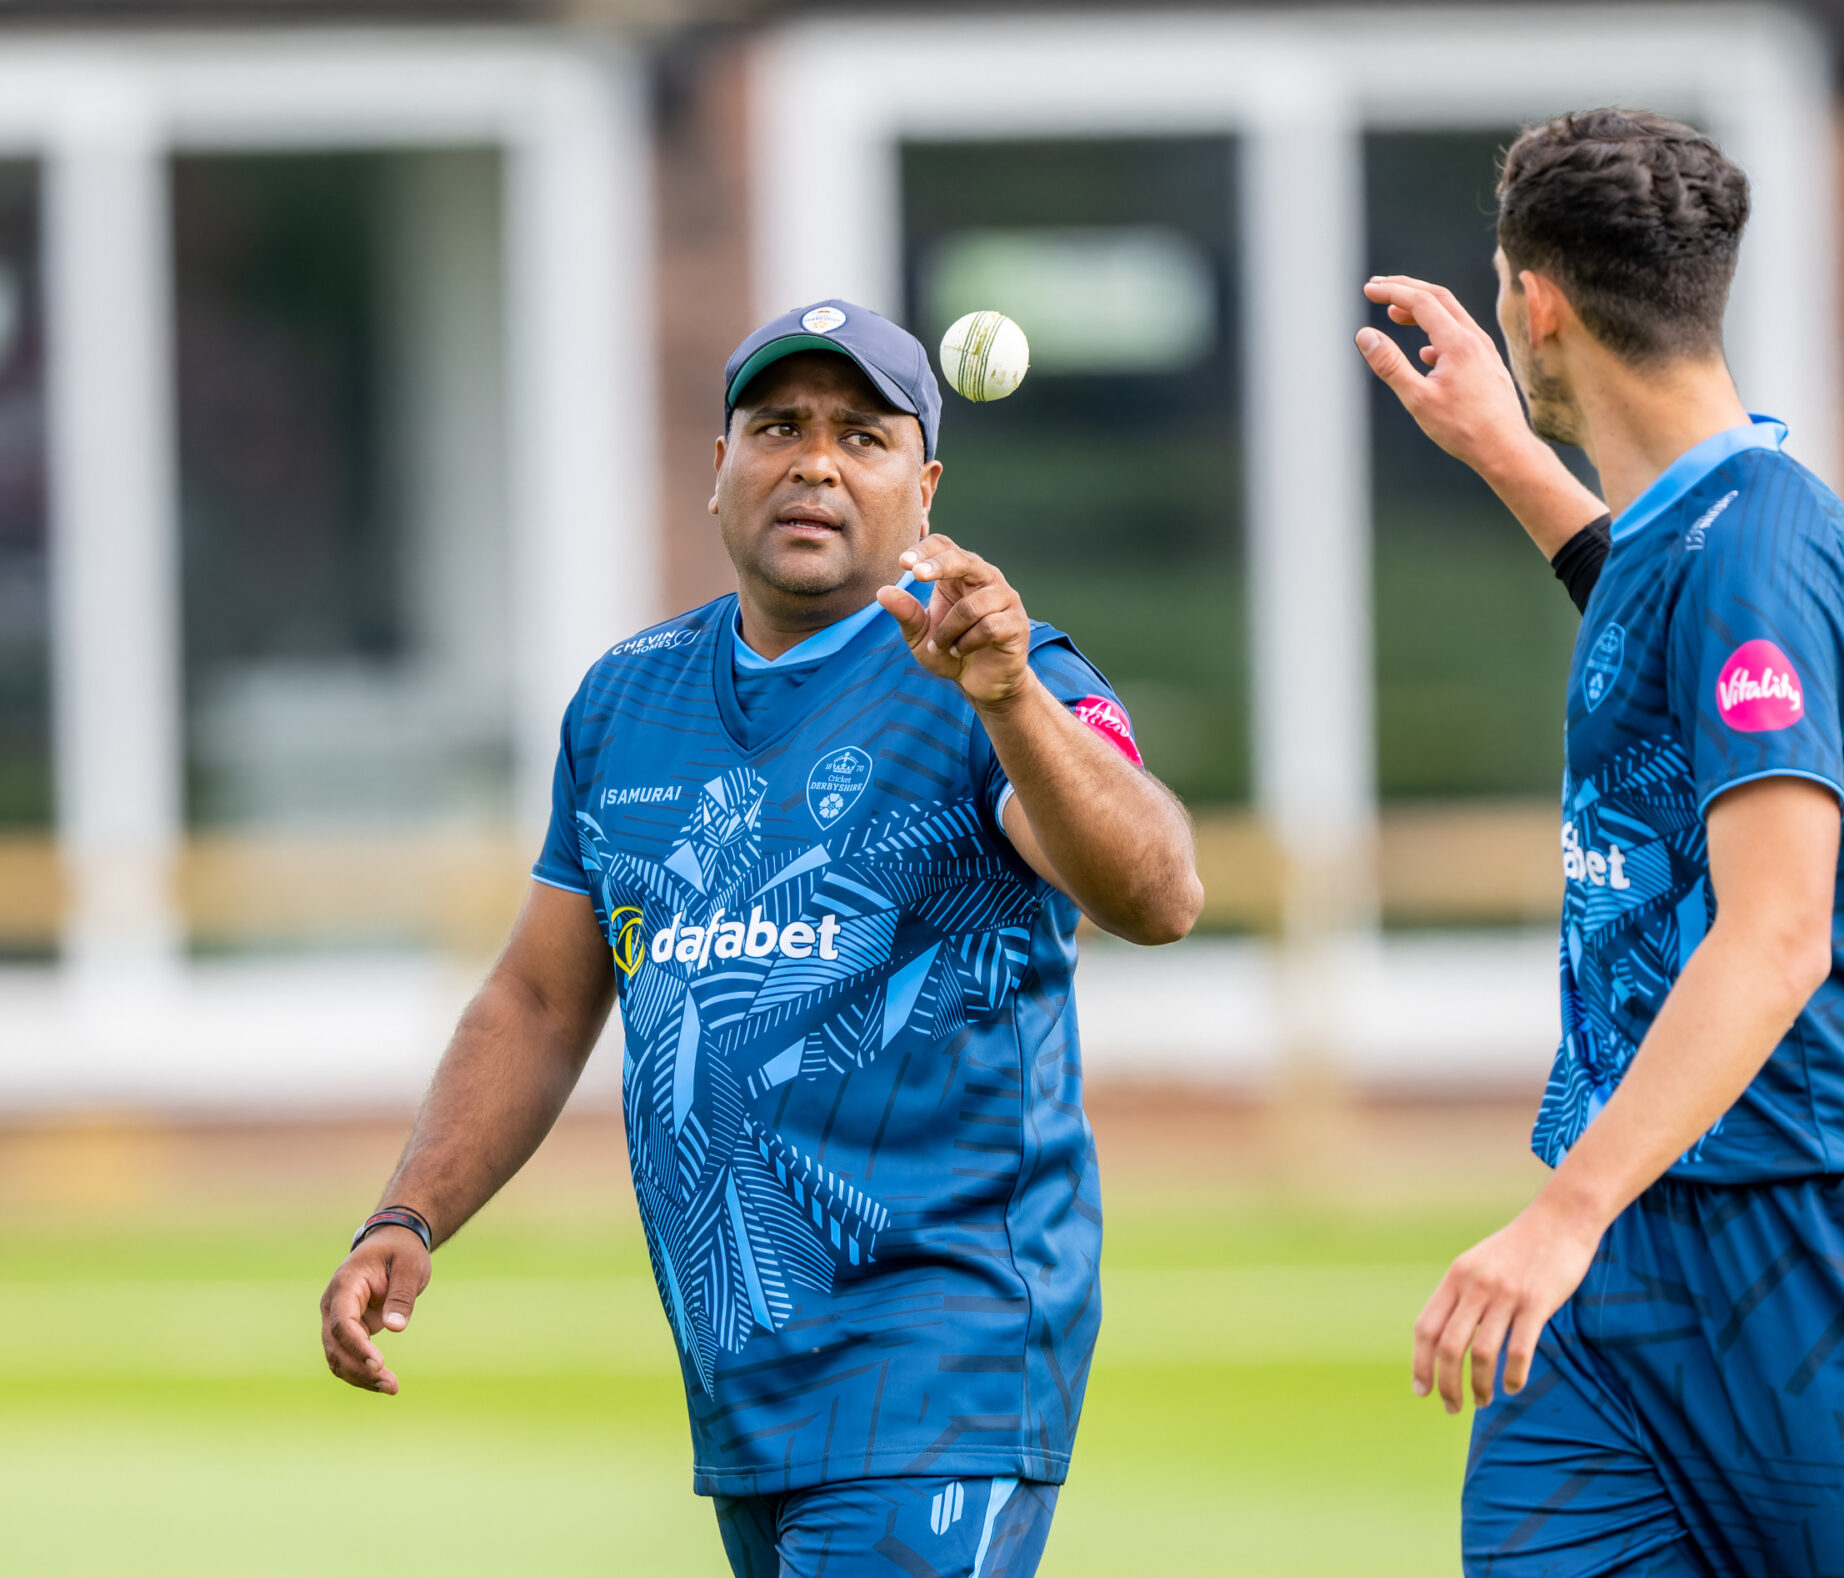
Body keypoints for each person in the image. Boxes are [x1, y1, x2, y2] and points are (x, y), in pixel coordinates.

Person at [317, 299, 1202, 1578]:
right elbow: (541, 1001)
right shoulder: (628, 696)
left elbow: (1159, 895)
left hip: (943, 1362)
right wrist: (409, 1213)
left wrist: (1009, 698)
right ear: (719, 467)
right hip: (747, 1379)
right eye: (778, 427)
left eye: (863, 436)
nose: (815, 463)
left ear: (924, 490)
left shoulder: (997, 677)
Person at [1356, 110, 1844, 1576]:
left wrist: (1560, 1216)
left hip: (1818, 1227)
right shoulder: (1693, 533)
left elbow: (1777, 935)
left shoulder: (1760, 550)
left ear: (1536, 303)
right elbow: (1658, 617)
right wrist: (1507, 453)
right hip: (1631, 1246)